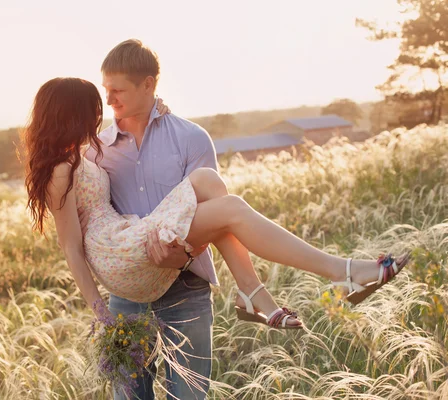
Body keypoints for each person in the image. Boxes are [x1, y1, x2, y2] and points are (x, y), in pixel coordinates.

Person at [21, 73, 410, 400]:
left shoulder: (82, 154)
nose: (100, 112)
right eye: (93, 106)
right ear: (71, 112)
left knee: (210, 184)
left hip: (127, 238)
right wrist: (102, 315)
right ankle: (336, 274)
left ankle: (257, 290)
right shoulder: (60, 170)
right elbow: (71, 248)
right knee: (230, 209)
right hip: (116, 253)